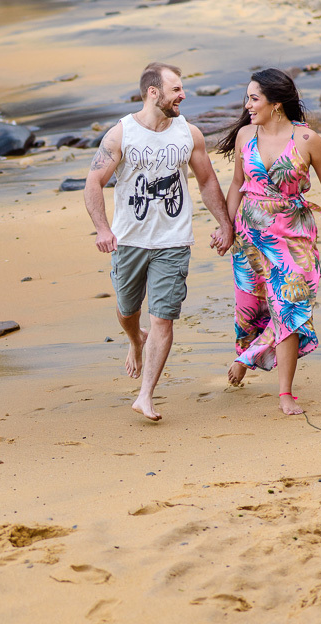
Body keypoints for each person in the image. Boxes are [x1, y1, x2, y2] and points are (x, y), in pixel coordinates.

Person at [84, 62, 233, 421]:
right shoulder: (120, 135)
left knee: (163, 319)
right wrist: (103, 229)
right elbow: (93, 183)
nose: (183, 95)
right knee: (127, 310)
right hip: (129, 241)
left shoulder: (188, 134)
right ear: (154, 92)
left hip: (173, 241)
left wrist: (225, 224)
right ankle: (136, 338)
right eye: (176, 89)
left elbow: (207, 181)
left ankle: (145, 395)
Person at [216, 68, 321, 415]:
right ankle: (248, 353)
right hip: (249, 238)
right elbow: (236, 184)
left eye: (254, 99)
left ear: (276, 104)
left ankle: (284, 392)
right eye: (247, 98)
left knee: (289, 307)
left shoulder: (308, 140)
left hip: (293, 238)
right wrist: (226, 228)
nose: (247, 105)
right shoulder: (245, 136)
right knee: (252, 308)